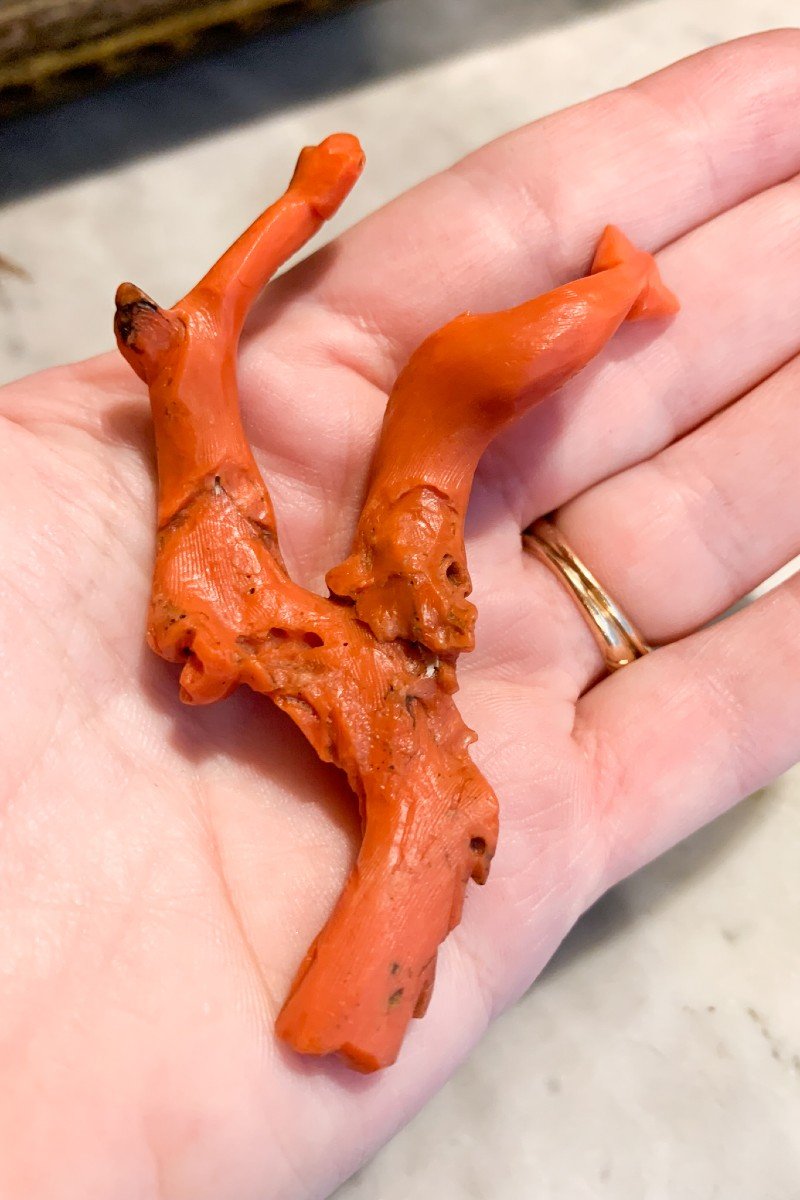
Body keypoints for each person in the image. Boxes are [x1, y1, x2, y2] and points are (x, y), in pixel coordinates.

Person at [0, 29, 798, 1199]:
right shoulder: (205, 453)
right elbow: (212, 338)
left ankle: (622, 284)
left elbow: (212, 330)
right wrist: (298, 204)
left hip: (373, 589)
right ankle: (621, 285)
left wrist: (303, 203)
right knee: (439, 392)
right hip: (347, 596)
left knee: (440, 394)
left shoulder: (209, 433)